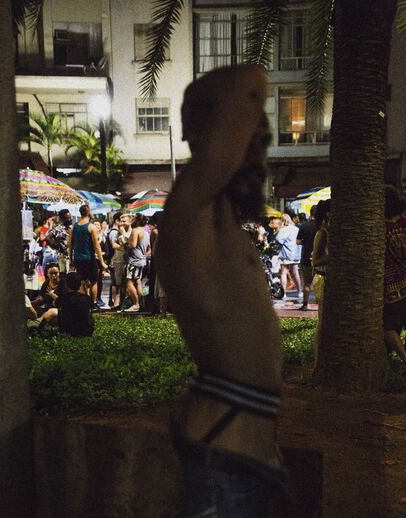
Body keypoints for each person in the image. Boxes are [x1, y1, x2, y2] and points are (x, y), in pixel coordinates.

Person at [156, 66, 288, 517]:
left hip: (240, 453)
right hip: (224, 460)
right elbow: (249, 81)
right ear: (213, 138)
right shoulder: (191, 211)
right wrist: (239, 108)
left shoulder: (223, 223)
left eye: (263, 142)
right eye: (247, 140)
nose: (259, 156)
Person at [69, 205, 108, 309]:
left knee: (82, 282)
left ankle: (83, 303)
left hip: (78, 259)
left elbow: (70, 245)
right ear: (88, 212)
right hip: (89, 259)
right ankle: (94, 303)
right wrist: (102, 261)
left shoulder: (74, 226)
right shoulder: (91, 227)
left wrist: (71, 259)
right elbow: (97, 246)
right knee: (94, 281)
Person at [383, 185, 406, 364]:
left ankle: (404, 359)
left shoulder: (380, 228)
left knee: (388, 325)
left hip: (391, 283)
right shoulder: (404, 221)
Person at [311, 199, 331, 369]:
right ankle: (317, 363)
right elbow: (315, 261)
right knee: (323, 323)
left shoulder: (331, 231)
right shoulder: (323, 233)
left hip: (329, 278)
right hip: (323, 278)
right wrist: (334, 255)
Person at [122, 213, 150, 312]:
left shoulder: (135, 230)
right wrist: (144, 256)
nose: (131, 220)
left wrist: (125, 244)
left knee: (129, 283)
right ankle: (141, 304)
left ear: (136, 220)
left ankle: (136, 304)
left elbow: (133, 245)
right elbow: (148, 248)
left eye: (133, 218)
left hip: (134, 261)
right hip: (141, 260)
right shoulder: (146, 232)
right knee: (138, 282)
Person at [56, 272, 94, 337]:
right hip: (86, 331)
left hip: (68, 331)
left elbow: (56, 304)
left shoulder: (62, 298)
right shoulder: (87, 299)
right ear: (80, 285)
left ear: (66, 285)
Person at [276, 213, 302, 299]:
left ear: (282, 221)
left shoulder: (283, 230)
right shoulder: (296, 229)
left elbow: (278, 239)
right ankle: (299, 292)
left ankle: (284, 294)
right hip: (295, 254)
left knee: (283, 273)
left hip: (286, 254)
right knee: (295, 273)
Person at [296, 205, 317, 310]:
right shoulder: (323, 226)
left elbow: (298, 241)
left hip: (306, 256)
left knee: (307, 283)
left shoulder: (304, 225)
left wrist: (306, 242)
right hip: (322, 257)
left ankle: (305, 304)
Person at [45, 209, 73, 274]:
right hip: (61, 256)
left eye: (70, 217)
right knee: (62, 274)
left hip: (72, 256)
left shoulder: (73, 227)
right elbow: (46, 237)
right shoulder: (58, 228)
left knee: (72, 275)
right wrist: (56, 245)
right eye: (67, 218)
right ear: (62, 219)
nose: (70, 219)